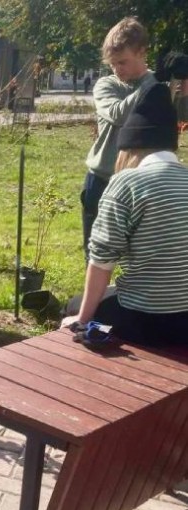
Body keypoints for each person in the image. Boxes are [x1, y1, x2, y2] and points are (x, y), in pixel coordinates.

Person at [61, 82, 188, 347]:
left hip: (145, 320)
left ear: (129, 149)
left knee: (73, 305)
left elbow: (101, 262)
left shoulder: (127, 183)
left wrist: (81, 320)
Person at [80, 17, 158, 261]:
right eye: (113, 63)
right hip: (101, 180)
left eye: (122, 62)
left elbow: (180, 116)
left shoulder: (156, 83)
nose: (117, 69)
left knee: (137, 255)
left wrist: (183, 81)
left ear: (142, 52)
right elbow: (118, 114)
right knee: (96, 254)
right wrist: (151, 84)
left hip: (141, 184)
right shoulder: (106, 85)